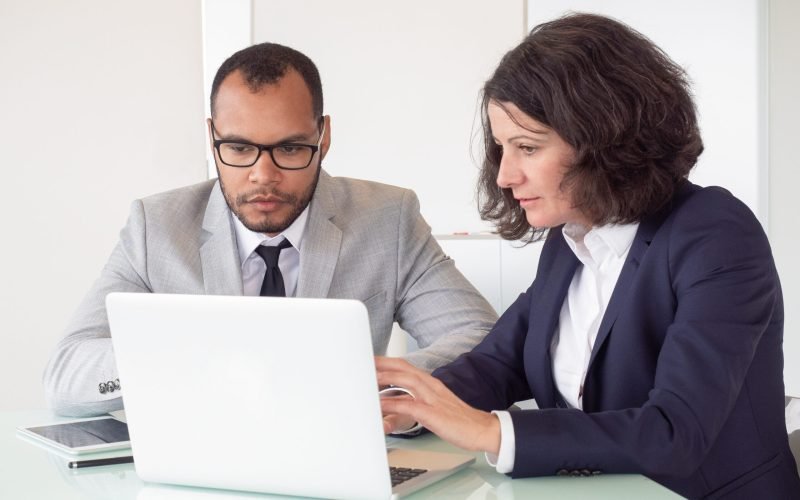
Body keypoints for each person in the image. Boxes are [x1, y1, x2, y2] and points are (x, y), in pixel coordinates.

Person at [377, 13, 800, 499]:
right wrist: (399, 402)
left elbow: (675, 432)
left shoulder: (714, 233)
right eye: (501, 148)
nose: (504, 175)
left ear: (606, 139)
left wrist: (490, 431)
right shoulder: (570, 237)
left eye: (528, 147)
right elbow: (498, 363)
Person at [44, 42, 497, 417]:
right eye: (238, 147)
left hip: (334, 456)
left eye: (290, 148)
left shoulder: (388, 218)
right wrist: (188, 355)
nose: (263, 175)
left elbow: (480, 338)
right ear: (212, 137)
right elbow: (67, 376)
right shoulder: (156, 228)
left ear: (324, 138)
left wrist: (364, 380)